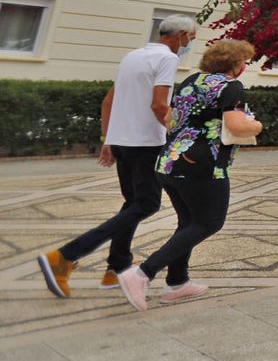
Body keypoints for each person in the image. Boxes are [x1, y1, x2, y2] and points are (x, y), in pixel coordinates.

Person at [36, 15, 196, 299]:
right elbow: (160, 105)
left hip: (123, 142)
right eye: (190, 40)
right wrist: (177, 133)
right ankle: (64, 256)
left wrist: (108, 138)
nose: (189, 46)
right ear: (181, 35)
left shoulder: (132, 56)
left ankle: (117, 267)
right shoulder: (168, 60)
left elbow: (109, 100)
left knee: (133, 204)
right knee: (146, 204)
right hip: (146, 143)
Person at [116, 40, 261, 311]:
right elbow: (236, 125)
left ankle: (177, 283)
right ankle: (141, 274)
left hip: (169, 162)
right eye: (245, 62)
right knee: (209, 223)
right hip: (203, 166)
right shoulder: (231, 86)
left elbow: (170, 120)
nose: (244, 67)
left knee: (188, 223)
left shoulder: (191, 81)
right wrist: (256, 124)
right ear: (235, 63)